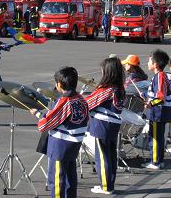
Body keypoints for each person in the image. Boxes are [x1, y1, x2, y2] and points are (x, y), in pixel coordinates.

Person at [29, 67, 88, 198]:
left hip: (60, 146)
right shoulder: (82, 99)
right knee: (70, 178)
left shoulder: (64, 102)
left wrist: (38, 114)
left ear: (59, 84)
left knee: (57, 180)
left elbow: (45, 124)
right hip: (74, 144)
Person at [85, 57, 125, 194]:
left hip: (102, 124)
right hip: (113, 125)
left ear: (108, 72)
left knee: (102, 156)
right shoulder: (119, 88)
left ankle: (105, 187)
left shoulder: (106, 89)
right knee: (111, 156)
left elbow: (88, 103)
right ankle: (109, 184)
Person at [141, 49, 171, 169]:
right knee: (158, 136)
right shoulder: (159, 76)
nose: (147, 63)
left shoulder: (160, 77)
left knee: (154, 137)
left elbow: (161, 97)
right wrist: (146, 97)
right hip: (158, 112)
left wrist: (150, 104)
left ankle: (155, 162)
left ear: (155, 64)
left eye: (149, 61)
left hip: (157, 113)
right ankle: (159, 160)